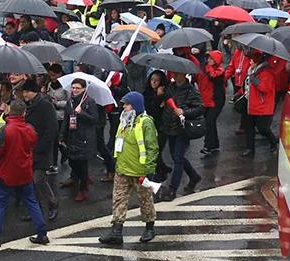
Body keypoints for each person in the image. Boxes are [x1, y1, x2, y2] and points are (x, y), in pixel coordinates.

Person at [0, 100, 50, 247]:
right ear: (24, 113)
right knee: (31, 202)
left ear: (10, 111)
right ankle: (42, 233)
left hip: (6, 172)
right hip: (25, 172)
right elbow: (32, 144)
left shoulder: (5, 131)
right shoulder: (30, 129)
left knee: (0, 203)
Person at [98, 92, 158, 246]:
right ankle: (116, 231)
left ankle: (149, 227)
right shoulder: (124, 120)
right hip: (123, 169)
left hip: (140, 171)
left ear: (136, 105)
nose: (123, 107)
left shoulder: (145, 122)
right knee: (119, 200)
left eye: (127, 104)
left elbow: (152, 147)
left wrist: (149, 168)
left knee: (145, 200)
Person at [158, 71, 203, 201]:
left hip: (182, 129)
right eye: (174, 74)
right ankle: (193, 176)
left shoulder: (191, 91)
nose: (175, 75)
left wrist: (184, 112)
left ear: (184, 75)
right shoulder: (170, 88)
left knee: (177, 158)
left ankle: (172, 189)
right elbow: (165, 102)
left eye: (178, 74)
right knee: (176, 156)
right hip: (169, 127)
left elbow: (200, 108)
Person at [20, 80, 60, 221]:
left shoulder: (45, 105)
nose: (24, 94)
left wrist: (41, 147)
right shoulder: (28, 106)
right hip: (29, 149)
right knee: (30, 181)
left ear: (34, 92)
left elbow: (52, 129)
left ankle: (52, 202)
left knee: (38, 180)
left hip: (41, 150)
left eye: (26, 91)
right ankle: (35, 209)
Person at [60, 78, 99, 202]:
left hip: (84, 138)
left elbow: (94, 120)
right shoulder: (70, 102)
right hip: (72, 136)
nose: (75, 90)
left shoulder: (89, 102)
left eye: (77, 88)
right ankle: (81, 178)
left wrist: (82, 113)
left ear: (83, 89)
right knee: (72, 161)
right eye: (73, 87)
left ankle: (83, 188)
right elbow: (66, 119)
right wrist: (62, 136)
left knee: (82, 164)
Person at [242, 50, 278, 157]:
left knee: (263, 129)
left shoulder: (266, 72)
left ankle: (273, 141)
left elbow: (265, 88)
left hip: (263, 106)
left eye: (251, 59)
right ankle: (250, 149)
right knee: (249, 128)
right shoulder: (252, 71)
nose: (249, 62)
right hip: (251, 104)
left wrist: (255, 80)